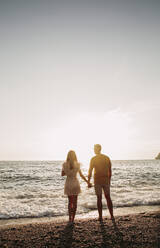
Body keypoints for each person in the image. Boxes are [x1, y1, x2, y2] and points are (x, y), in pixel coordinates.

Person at [61, 150, 91, 223]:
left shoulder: (64, 164)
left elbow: (62, 174)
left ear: (68, 156)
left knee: (70, 202)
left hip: (68, 183)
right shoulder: (77, 164)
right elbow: (81, 175)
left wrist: (68, 171)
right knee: (75, 202)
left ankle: (69, 218)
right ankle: (73, 219)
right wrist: (88, 182)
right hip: (75, 183)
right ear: (75, 156)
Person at [88, 144, 114, 221]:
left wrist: (88, 181)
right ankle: (111, 216)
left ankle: (100, 217)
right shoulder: (106, 158)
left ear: (97, 149)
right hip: (105, 180)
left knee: (99, 198)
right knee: (108, 197)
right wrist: (109, 180)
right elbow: (110, 171)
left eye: (94, 149)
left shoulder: (93, 159)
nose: (94, 150)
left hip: (98, 180)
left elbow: (90, 170)